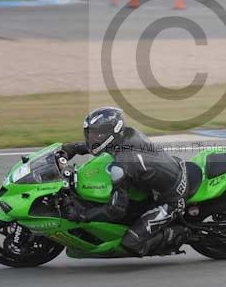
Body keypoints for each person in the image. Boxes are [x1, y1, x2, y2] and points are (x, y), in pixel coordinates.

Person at [60, 106, 189, 257]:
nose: (92, 139)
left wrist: (82, 215)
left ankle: (178, 234)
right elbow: (102, 145)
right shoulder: (127, 134)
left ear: (111, 133)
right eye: (91, 134)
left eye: (97, 134)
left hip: (171, 197)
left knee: (131, 243)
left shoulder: (122, 165)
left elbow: (116, 210)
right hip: (166, 174)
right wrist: (74, 148)